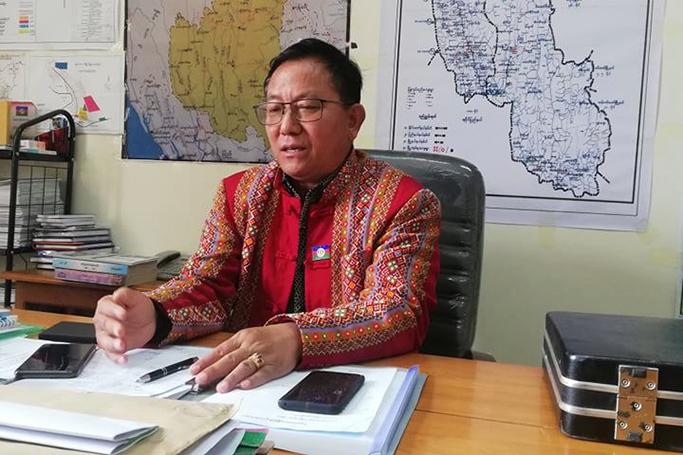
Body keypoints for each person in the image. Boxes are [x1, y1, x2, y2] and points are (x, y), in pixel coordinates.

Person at [94, 38, 441, 393]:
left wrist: (298, 339)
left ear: (353, 120)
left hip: (350, 388)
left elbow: (397, 313)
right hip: (244, 385)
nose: (287, 127)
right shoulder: (239, 194)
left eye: (308, 107)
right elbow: (209, 286)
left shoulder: (403, 202)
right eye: (275, 110)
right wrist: (154, 313)